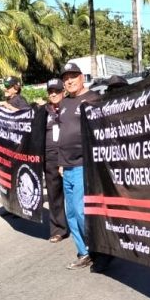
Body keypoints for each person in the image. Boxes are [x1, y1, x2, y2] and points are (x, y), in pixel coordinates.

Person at [57, 62, 106, 271]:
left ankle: (101, 249)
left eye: (73, 76)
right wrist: (60, 163)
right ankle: (84, 252)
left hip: (83, 164)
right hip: (66, 166)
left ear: (82, 78)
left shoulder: (93, 98)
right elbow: (62, 132)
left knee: (80, 210)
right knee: (70, 215)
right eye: (66, 78)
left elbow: (102, 129)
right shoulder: (64, 103)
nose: (69, 81)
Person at [43, 78, 68, 244]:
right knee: (54, 195)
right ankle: (59, 229)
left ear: (63, 92)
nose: (53, 94)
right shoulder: (43, 111)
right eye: (51, 91)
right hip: (50, 157)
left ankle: (84, 227)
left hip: (70, 157)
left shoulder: (72, 107)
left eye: (57, 91)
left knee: (76, 196)